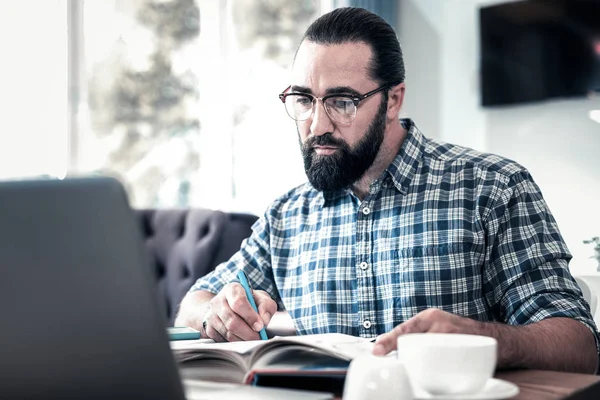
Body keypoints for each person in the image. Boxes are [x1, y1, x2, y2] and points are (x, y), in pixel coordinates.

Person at [175, 7, 599, 373]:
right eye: (304, 100)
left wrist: (481, 338)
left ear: (393, 100)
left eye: (342, 102)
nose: (317, 126)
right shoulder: (287, 215)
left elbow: (579, 346)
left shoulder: (493, 188)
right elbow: (193, 303)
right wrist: (219, 310)